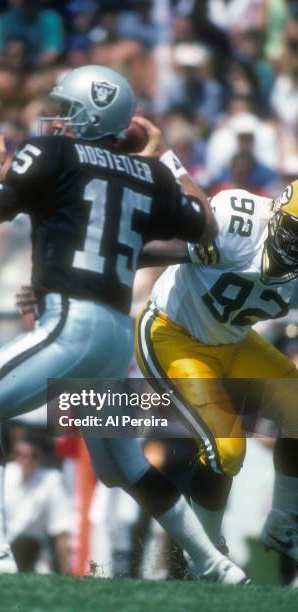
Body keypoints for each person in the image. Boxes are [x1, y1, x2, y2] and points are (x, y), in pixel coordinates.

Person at [0, 64, 246, 583]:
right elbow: (206, 223)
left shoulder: (54, 151)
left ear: (88, 113)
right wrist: (164, 159)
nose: (58, 118)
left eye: (67, 108)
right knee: (123, 466)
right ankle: (214, 563)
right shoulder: (148, 174)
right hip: (113, 334)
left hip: (72, 324)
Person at [135, 145, 298, 569]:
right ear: (277, 214)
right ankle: (205, 557)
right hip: (174, 333)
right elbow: (151, 250)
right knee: (227, 449)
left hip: (232, 341)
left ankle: (284, 524)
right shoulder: (238, 222)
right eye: (295, 233)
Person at [4, 437, 71, 573]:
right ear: (14, 456)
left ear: (40, 457)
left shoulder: (52, 480)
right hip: (1, 544)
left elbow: (61, 528)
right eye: (20, 455)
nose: (26, 461)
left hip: (34, 548)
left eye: (32, 456)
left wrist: (66, 573)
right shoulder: (3, 474)